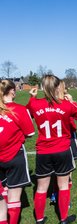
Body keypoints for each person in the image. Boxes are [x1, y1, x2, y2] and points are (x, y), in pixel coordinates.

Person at [27, 75, 77, 224]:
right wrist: (71, 100)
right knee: (63, 185)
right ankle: (63, 219)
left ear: (42, 88)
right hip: (62, 150)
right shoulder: (67, 104)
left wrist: (32, 98)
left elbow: (27, 113)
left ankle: (40, 220)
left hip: (43, 151)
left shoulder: (35, 104)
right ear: (57, 87)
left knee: (41, 188)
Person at [0, 80, 35, 224]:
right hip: (15, 155)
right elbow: (30, 133)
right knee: (14, 197)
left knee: (2, 195)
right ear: (12, 91)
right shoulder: (19, 109)